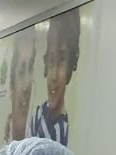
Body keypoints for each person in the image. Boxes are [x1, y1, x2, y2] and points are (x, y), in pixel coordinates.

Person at [31, 9, 81, 146]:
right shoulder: (38, 115)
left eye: (61, 60)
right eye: (51, 61)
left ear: (71, 65)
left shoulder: (64, 130)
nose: (53, 76)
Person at [4, 30, 37, 143]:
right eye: (21, 72)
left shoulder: (37, 141)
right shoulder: (3, 147)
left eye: (30, 68)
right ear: (12, 83)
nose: (26, 86)